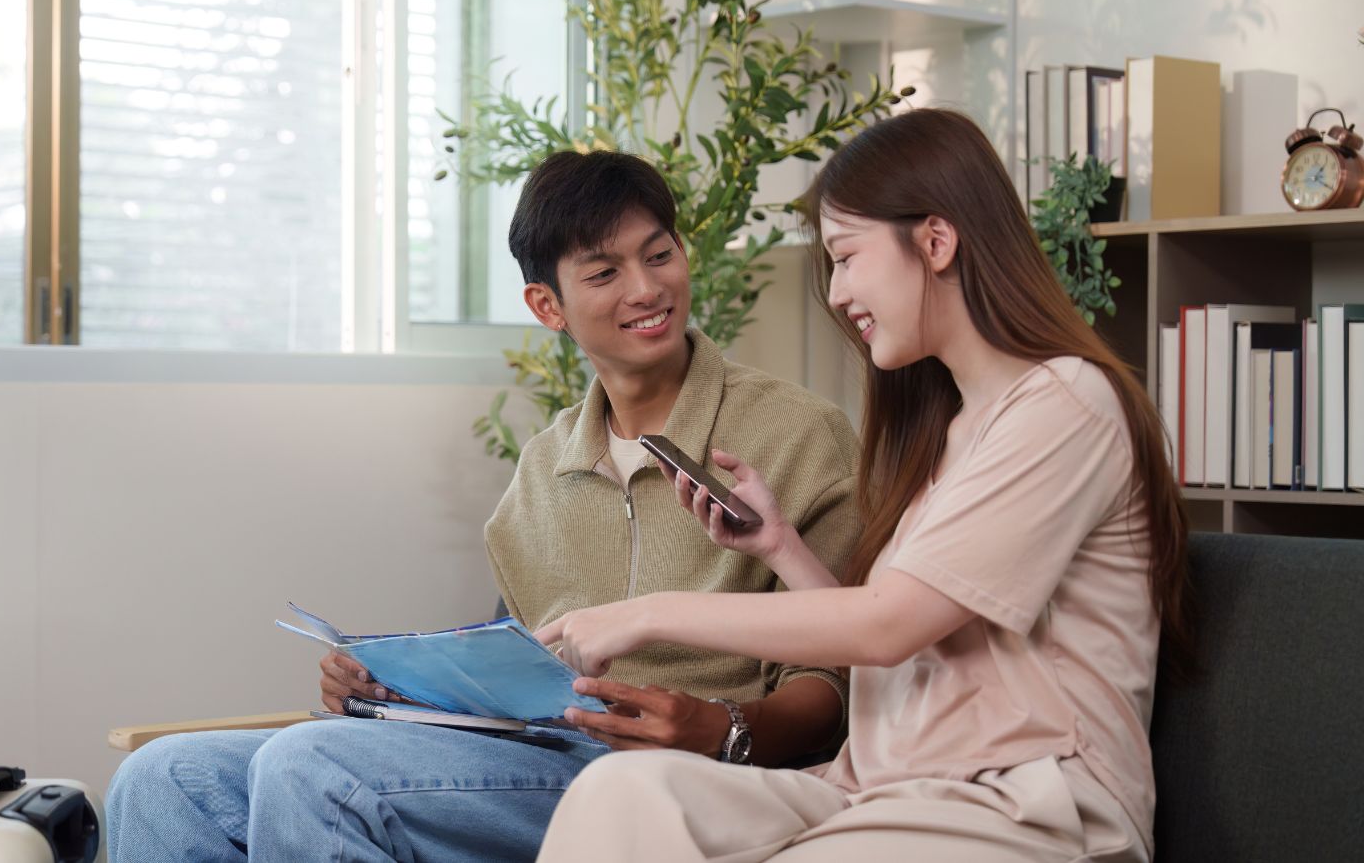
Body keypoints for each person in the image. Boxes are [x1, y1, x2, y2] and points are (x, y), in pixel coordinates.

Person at [104, 149, 865, 862]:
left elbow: (837, 687)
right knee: (165, 778)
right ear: (548, 305)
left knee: (314, 767)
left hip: (690, 774)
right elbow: (509, 673)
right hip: (539, 755)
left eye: (660, 254)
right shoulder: (541, 470)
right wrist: (390, 695)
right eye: (604, 272)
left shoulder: (795, 434)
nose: (646, 289)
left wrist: (714, 727)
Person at [533, 109, 1192, 863]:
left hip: (1022, 803)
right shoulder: (952, 430)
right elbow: (912, 643)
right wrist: (781, 548)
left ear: (936, 242)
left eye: (846, 257)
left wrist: (646, 615)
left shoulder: (1065, 404)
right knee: (621, 793)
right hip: (882, 792)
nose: (840, 294)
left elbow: (888, 626)